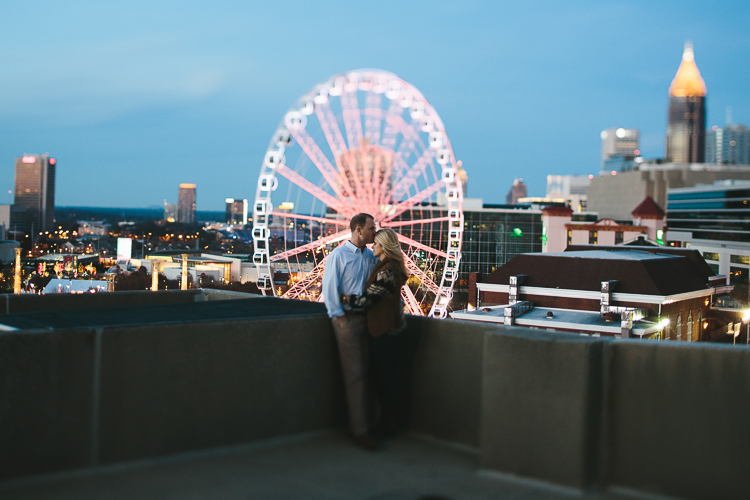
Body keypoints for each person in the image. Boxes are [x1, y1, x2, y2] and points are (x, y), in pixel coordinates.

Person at [341, 228, 410, 437]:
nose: (372, 246)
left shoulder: (388, 270)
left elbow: (370, 300)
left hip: (384, 330)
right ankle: (387, 421)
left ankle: (388, 423)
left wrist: (343, 299)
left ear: (384, 246)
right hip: (385, 328)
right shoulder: (388, 267)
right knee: (384, 377)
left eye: (376, 243)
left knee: (384, 378)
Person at [321, 213, 379, 450]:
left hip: (367, 318)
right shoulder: (338, 256)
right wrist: (340, 317)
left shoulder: (369, 256)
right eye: (371, 228)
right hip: (347, 319)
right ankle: (360, 430)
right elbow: (329, 288)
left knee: (366, 371)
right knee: (354, 374)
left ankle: (368, 422)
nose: (374, 232)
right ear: (358, 230)